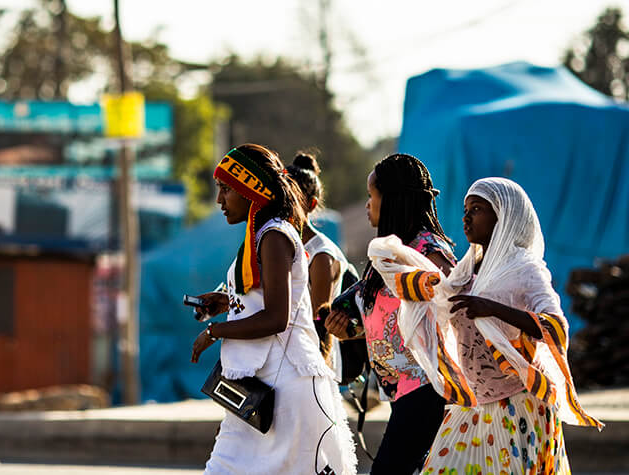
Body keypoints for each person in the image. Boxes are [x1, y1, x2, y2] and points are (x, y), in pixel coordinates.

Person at [368, 177, 603, 475]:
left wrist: (493, 309)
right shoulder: (466, 272)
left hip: (517, 407)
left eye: (477, 209)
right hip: (472, 406)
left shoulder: (524, 269)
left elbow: (556, 327)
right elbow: (441, 299)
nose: (466, 217)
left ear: (504, 216)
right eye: (466, 209)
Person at [191, 144, 357, 475]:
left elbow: (277, 317)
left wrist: (215, 331)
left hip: (289, 387)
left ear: (251, 189)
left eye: (226, 189)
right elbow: (265, 297)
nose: (219, 200)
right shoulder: (261, 235)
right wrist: (226, 302)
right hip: (259, 389)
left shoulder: (274, 235)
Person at [325, 153, 456, 475]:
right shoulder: (387, 254)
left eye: (372, 196)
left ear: (393, 199)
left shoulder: (428, 252)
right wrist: (348, 328)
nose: (367, 204)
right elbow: (386, 318)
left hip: (428, 388)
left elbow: (450, 305)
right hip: (402, 390)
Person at [285, 152, 353, 374]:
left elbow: (317, 325)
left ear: (311, 204)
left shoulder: (320, 255)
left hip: (310, 363)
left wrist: (315, 375)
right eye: (281, 194)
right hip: (287, 357)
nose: (284, 204)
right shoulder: (279, 243)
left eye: (292, 198)